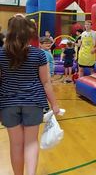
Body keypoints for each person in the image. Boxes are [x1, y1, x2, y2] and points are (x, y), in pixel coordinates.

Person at [0, 14, 59, 175]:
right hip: (33, 103)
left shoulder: (1, 54)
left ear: (9, 31)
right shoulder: (39, 54)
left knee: (16, 145)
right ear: (28, 33)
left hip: (7, 104)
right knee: (31, 143)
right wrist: (54, 104)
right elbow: (46, 83)